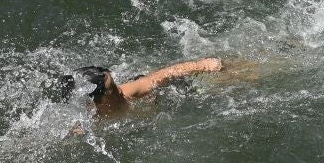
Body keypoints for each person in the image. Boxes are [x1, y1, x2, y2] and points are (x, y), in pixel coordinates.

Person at [61, 58, 223, 114]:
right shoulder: (92, 120)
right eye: (112, 90)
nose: (118, 91)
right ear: (100, 102)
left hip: (179, 89)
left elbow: (166, 74)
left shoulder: (129, 92)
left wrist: (206, 65)